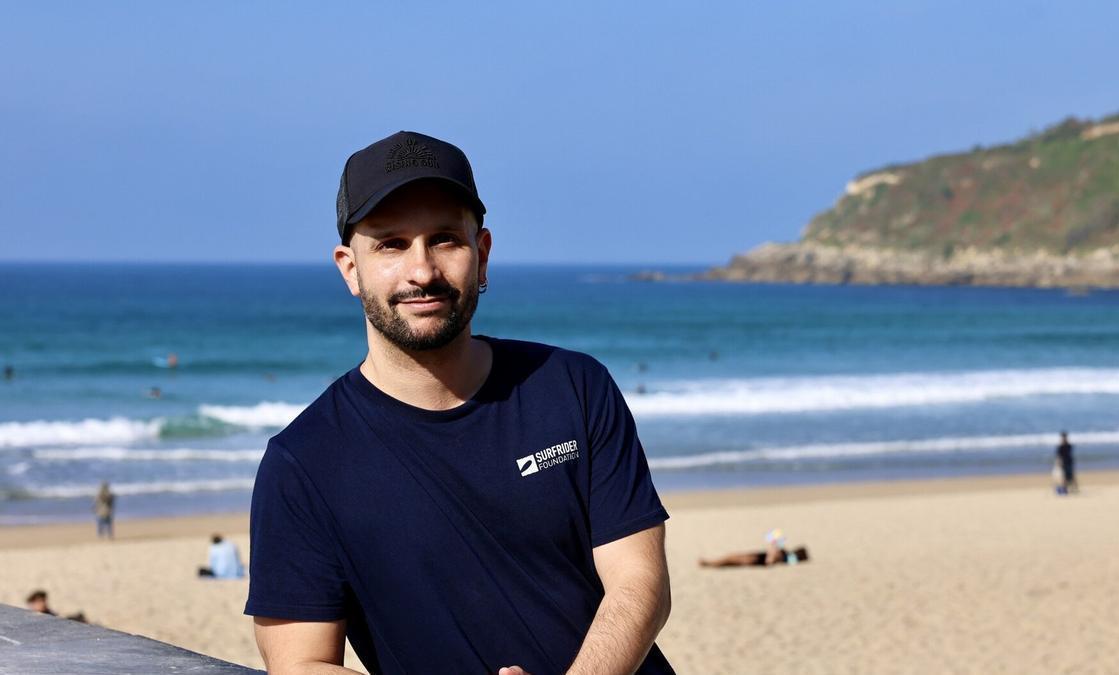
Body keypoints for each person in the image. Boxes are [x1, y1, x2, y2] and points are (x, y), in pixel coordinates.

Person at [245, 131, 673, 675]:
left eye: (445, 239)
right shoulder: (303, 463)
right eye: (391, 244)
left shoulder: (574, 387)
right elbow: (301, 664)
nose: (422, 271)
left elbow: (641, 583)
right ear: (350, 268)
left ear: (483, 253)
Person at [699, 529, 809, 568]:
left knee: (729, 559)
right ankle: (710, 563)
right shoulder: (786, 556)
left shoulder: (781, 553)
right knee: (729, 558)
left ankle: (709, 563)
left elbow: (769, 561)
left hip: (754, 559)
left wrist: (773, 548)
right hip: (755, 557)